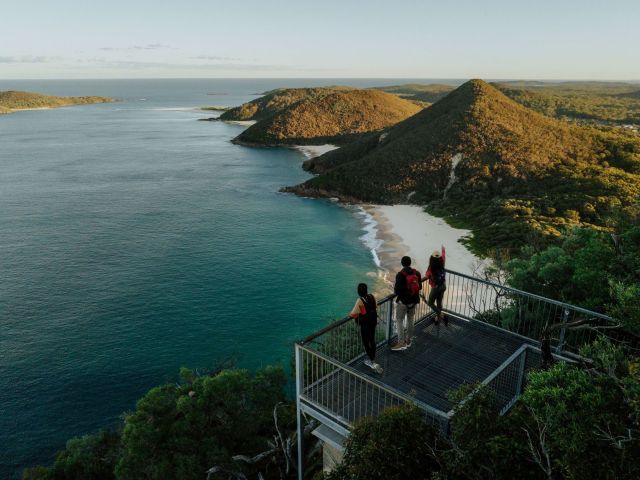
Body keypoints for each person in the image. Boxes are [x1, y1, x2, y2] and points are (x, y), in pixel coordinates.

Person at [349, 283, 383, 374]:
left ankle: (372, 361)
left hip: (366, 325)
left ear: (359, 291)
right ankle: (373, 358)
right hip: (373, 322)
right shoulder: (372, 296)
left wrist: (357, 314)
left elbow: (353, 314)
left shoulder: (360, 300)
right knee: (372, 339)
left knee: (366, 342)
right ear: (366, 290)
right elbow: (375, 306)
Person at [392, 256, 422, 350]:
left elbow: (397, 291)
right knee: (410, 319)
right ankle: (409, 340)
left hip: (403, 302)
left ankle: (401, 343)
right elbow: (419, 286)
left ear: (402, 263)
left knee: (399, 320)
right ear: (410, 263)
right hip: (413, 301)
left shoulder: (400, 275)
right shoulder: (416, 273)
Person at [425, 245, 447, 325]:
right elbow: (443, 256)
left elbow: (427, 275)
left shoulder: (431, 268)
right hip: (443, 286)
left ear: (431, 259)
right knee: (439, 302)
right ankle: (437, 319)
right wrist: (443, 250)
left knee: (430, 303)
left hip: (435, 288)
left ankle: (441, 315)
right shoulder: (442, 263)